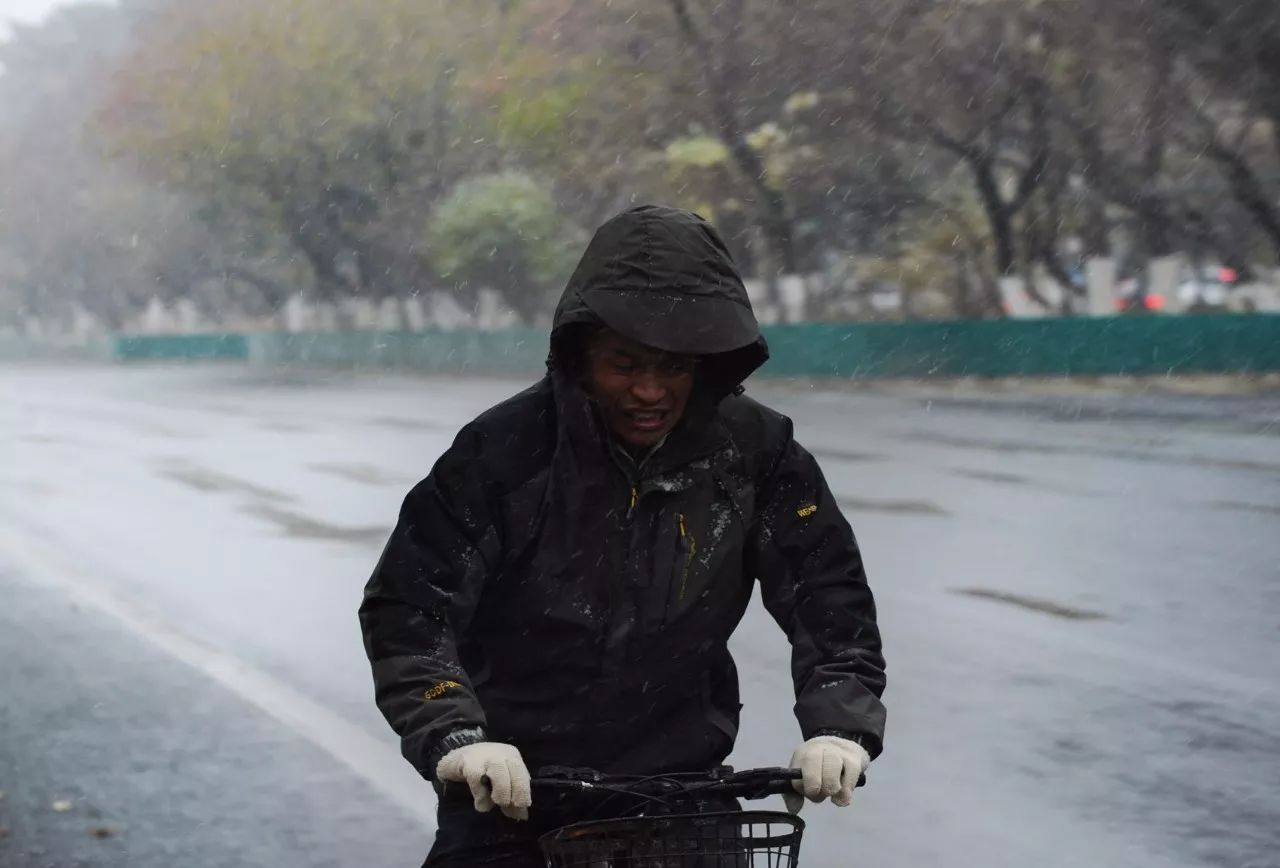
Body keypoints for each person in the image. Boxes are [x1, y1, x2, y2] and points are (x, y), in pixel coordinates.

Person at [359, 205, 887, 866]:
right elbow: (411, 610)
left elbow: (829, 600)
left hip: (682, 799)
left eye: (672, 367)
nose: (648, 390)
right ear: (579, 357)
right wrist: (457, 737)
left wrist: (839, 725)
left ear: (708, 362)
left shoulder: (756, 452)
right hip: (516, 798)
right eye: (624, 364)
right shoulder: (502, 455)